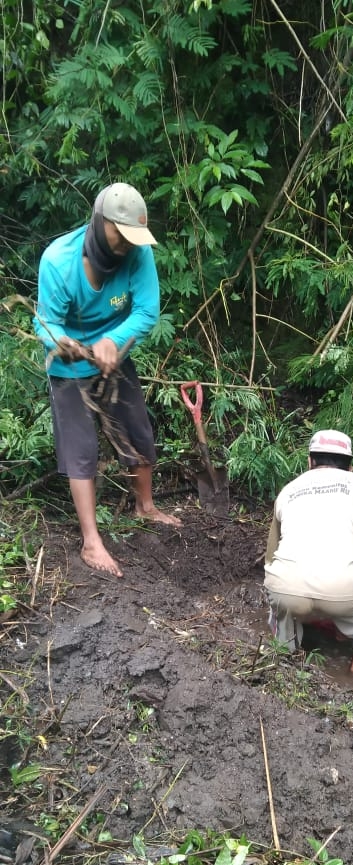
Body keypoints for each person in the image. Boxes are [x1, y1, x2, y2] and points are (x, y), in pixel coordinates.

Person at [34, 182, 181, 578]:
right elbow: (45, 322)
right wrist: (61, 342)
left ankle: (145, 507)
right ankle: (91, 541)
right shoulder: (59, 261)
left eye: (135, 236)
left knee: (136, 429)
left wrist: (112, 343)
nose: (130, 244)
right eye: (122, 234)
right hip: (69, 367)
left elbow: (147, 311)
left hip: (114, 357)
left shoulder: (139, 253)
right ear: (101, 222)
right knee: (80, 449)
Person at [264, 430, 353, 673]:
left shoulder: (288, 490)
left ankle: (283, 660)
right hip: (341, 589)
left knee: (278, 590)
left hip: (286, 590)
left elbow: (270, 558)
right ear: (351, 468)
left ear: (309, 462)